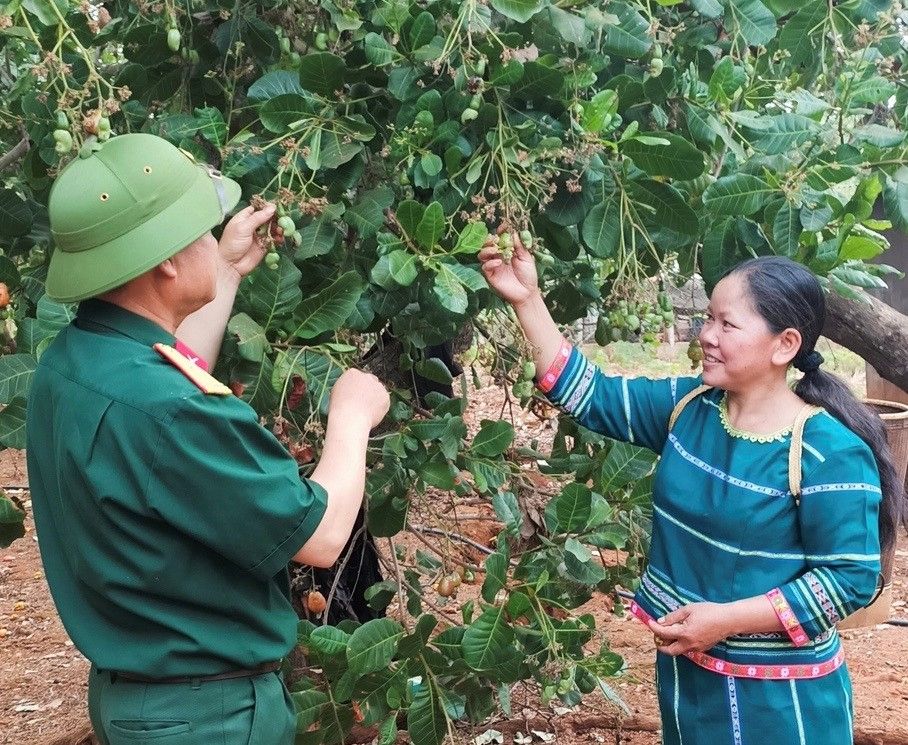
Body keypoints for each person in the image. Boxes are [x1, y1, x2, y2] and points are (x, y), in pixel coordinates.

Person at [26, 133, 390, 745]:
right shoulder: (167, 412)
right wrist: (352, 416)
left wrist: (223, 267)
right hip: (208, 718)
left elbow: (168, 369)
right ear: (165, 261)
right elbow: (322, 537)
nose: (209, 239)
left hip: (138, 703)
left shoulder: (72, 364)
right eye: (201, 231)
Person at [479, 231, 904, 744]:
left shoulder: (825, 451)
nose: (706, 334)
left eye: (728, 324)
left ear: (785, 344)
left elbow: (848, 580)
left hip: (781, 700)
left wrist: (726, 621)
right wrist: (528, 299)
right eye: (708, 317)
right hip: (689, 673)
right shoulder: (690, 408)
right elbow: (591, 394)